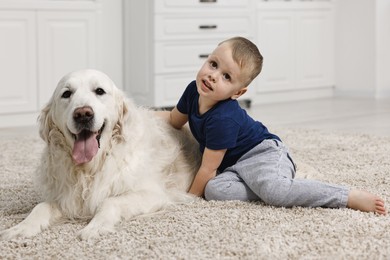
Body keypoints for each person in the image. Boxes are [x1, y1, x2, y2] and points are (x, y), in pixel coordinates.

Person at [157, 36, 386, 215]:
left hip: (263, 154)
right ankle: (273, 184)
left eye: (227, 76)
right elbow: (174, 120)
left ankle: (347, 196)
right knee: (215, 190)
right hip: (234, 167)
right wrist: (137, 116)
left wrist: (188, 202)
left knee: (275, 193)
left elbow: (207, 169)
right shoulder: (192, 90)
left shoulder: (223, 118)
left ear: (238, 93)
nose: (213, 76)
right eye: (213, 64)